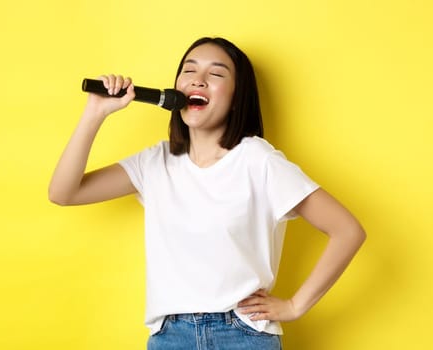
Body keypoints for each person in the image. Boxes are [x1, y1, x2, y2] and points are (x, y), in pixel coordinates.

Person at [48, 37, 366, 350]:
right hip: (169, 336)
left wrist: (296, 305)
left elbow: (347, 231)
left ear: (237, 96)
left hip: (242, 335)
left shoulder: (258, 160)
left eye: (215, 74)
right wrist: (95, 113)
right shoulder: (154, 162)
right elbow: (64, 192)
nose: (198, 81)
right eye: (189, 71)